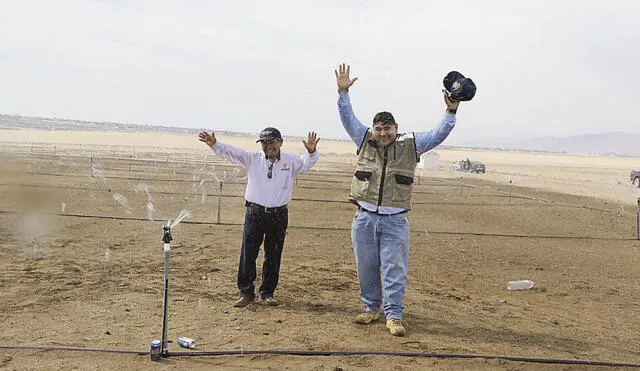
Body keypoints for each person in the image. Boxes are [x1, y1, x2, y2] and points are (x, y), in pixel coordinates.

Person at [334, 63, 460, 336]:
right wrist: (343, 93)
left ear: (396, 129)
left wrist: (451, 111)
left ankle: (394, 316)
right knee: (366, 266)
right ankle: (370, 309)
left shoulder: (411, 145)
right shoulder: (363, 138)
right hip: (364, 218)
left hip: (395, 221)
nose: (382, 133)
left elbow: (439, 134)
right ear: (373, 129)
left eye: (387, 128)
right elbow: (348, 119)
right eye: (379, 128)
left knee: (394, 269)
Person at [198, 127, 320, 307]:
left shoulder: (290, 161)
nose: (268, 146)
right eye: (264, 142)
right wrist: (215, 144)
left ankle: (267, 293)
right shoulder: (253, 159)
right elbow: (232, 153)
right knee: (248, 254)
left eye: (271, 142)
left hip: (278, 215)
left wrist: (311, 151)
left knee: (273, 254)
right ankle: (246, 292)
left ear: (280, 142)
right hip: (254, 213)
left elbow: (307, 162)